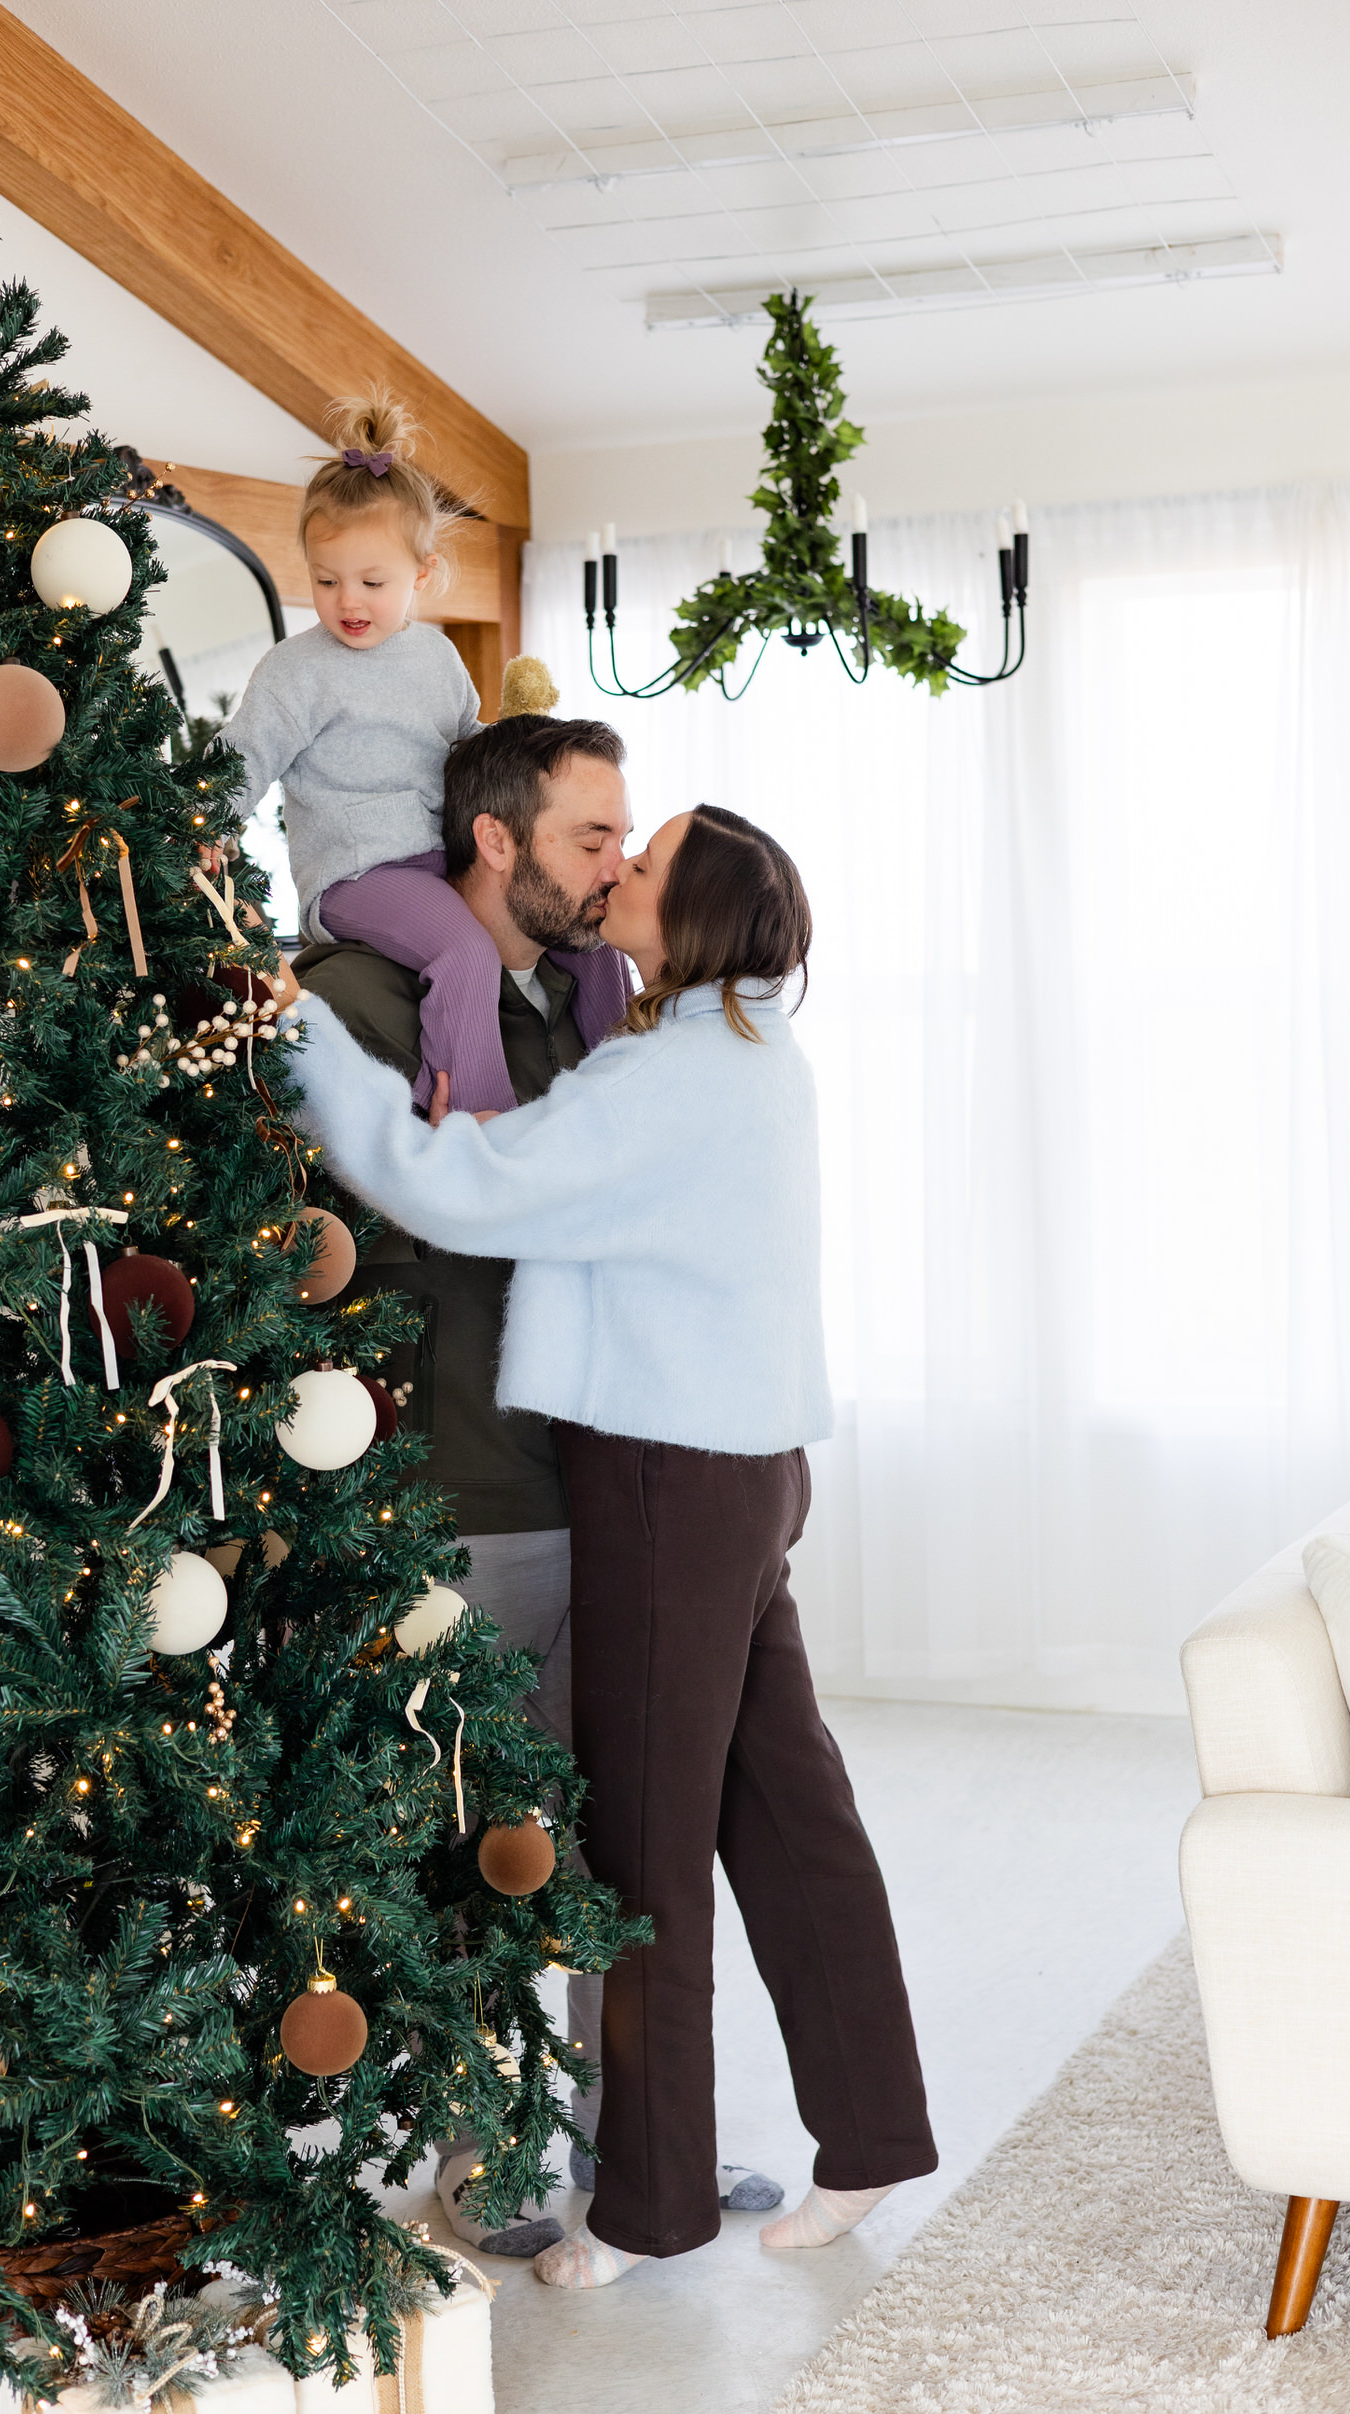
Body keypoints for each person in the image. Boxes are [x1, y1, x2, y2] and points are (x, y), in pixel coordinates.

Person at [285, 801, 939, 2292]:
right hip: (742, 1470)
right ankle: (871, 2133)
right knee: (786, 1811)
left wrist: (307, 1042)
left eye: (639, 862)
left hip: (658, 1479)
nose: (616, 872)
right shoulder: (751, 1054)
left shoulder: (666, 1079)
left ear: (692, 913)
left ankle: (646, 2211)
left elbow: (454, 1186)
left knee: (642, 1854)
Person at [219, 394, 630, 1113]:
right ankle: (476, 1115)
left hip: (439, 861)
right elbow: (241, 759)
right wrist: (204, 828)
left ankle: (619, 1088)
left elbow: (468, 751)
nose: (348, 600)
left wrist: (526, 746)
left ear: (422, 572)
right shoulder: (296, 672)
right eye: (324, 579)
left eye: (372, 582)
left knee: (587, 940)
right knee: (465, 954)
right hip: (360, 875)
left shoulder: (434, 658)